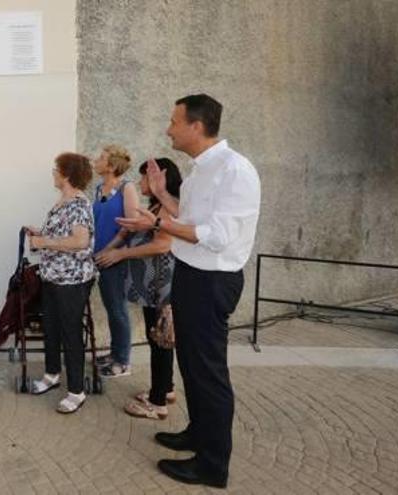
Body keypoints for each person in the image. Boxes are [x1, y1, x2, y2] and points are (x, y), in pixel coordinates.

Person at [118, 94, 261, 488]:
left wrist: (159, 225)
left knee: (209, 372)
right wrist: (163, 197)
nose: (168, 129)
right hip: (191, 275)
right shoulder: (201, 170)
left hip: (212, 281)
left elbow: (215, 236)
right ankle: (198, 434)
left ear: (196, 126)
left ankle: (213, 465)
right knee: (192, 366)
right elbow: (191, 217)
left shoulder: (235, 171)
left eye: (174, 121)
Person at [97, 158, 182, 420]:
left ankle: (157, 404)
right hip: (153, 286)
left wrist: (123, 254)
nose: (142, 182)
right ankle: (165, 389)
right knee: (160, 339)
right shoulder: (158, 206)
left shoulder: (165, 209)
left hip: (161, 286)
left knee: (160, 340)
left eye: (145, 178)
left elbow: (162, 245)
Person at [27, 152, 96, 414]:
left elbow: (80, 241)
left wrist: (43, 242)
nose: (53, 173)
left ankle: (77, 391)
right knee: (52, 328)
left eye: (56, 169)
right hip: (52, 276)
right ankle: (52, 374)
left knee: (70, 333)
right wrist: (40, 234)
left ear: (66, 174)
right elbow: (62, 235)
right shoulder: (62, 202)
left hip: (72, 281)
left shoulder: (77, 204)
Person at [91, 144, 139, 378]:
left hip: (115, 258)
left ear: (111, 166)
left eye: (101, 158)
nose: (96, 160)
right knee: (111, 308)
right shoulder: (99, 188)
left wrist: (109, 250)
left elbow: (130, 226)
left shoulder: (126, 188)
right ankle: (115, 353)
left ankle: (123, 361)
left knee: (118, 310)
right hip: (99, 257)